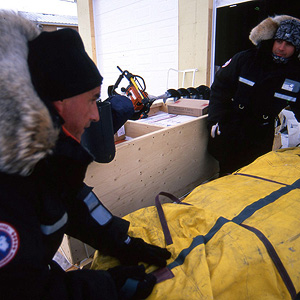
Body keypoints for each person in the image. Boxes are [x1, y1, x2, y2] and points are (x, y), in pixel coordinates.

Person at [0, 11, 171, 300]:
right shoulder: (10, 186)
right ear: (59, 101)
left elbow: (80, 208)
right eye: (92, 99)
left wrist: (126, 245)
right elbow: (22, 290)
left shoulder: (49, 162)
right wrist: (106, 287)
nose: (95, 115)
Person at [207, 15, 300, 175]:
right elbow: (220, 88)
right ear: (272, 39)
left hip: (260, 137)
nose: (281, 48)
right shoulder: (246, 59)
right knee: (226, 180)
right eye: (279, 41)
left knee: (252, 180)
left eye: (289, 44)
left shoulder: (296, 75)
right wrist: (216, 120)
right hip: (232, 130)